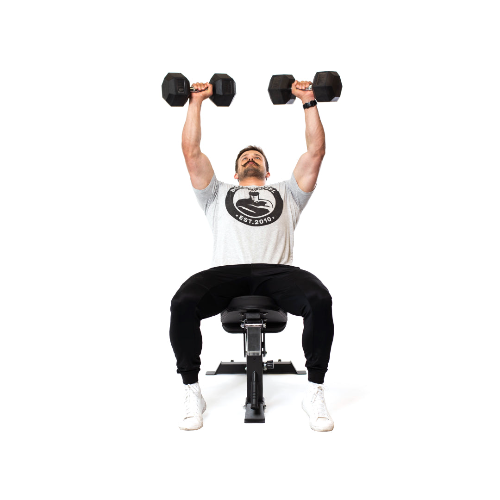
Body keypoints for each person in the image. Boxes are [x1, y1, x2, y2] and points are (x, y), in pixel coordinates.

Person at [170, 79, 335, 432]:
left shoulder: (288, 192)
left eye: (257, 157)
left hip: (278, 271)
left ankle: (314, 390)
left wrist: (308, 101)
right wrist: (196, 101)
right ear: (235, 172)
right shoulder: (216, 194)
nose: (250, 159)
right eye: (245, 158)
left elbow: (315, 152)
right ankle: (191, 390)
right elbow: (192, 152)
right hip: (226, 272)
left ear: (267, 171)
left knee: (320, 299)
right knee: (183, 301)